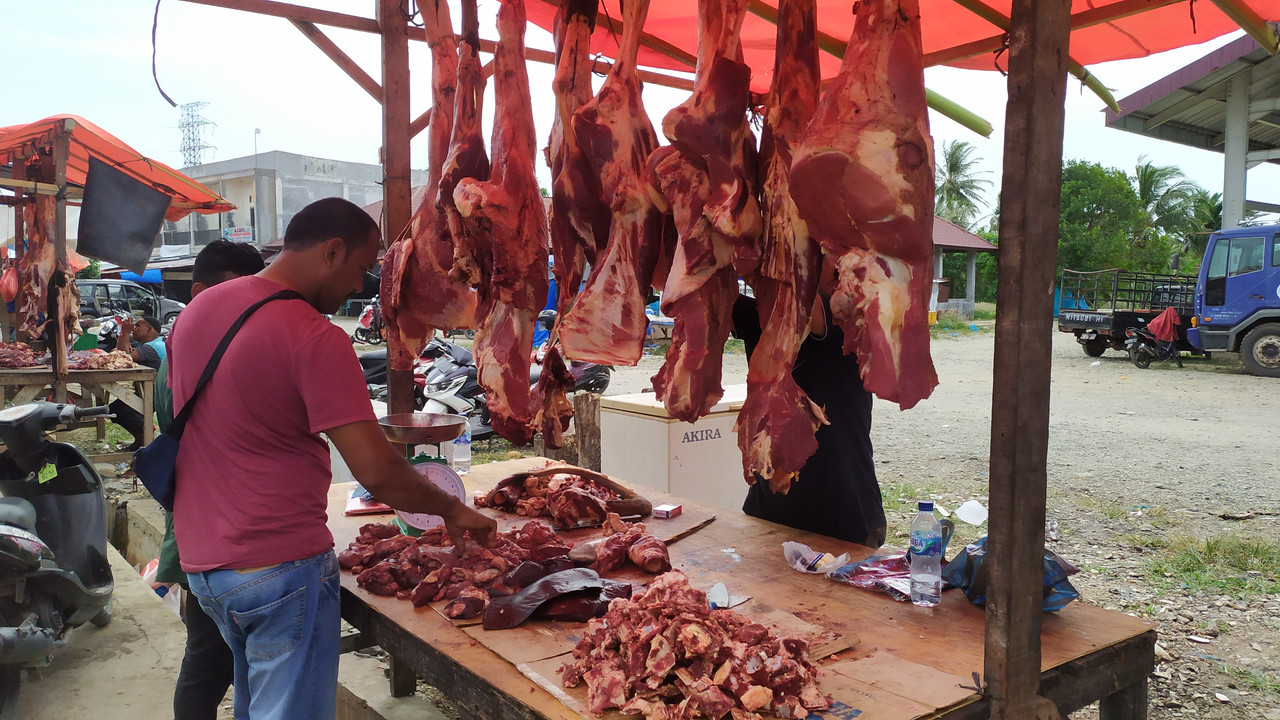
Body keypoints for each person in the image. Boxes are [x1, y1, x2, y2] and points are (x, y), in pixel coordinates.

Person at [169, 197, 496, 720]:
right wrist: (453, 509)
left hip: (205, 565)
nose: (358, 286)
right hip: (277, 567)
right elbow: (378, 471)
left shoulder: (199, 312)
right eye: (361, 268)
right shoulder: (314, 335)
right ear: (333, 251)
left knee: (257, 706)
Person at [153, 240, 266, 720]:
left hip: (209, 532)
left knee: (221, 661)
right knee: (208, 661)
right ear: (200, 293)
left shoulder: (193, 347)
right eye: (237, 294)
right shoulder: (191, 356)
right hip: (209, 538)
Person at [731, 260, 887, 548]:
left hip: (842, 517)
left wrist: (761, 252)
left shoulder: (842, 317)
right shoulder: (759, 313)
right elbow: (693, 285)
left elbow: (800, 297)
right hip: (769, 513)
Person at [110, 315, 166, 451]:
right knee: (115, 409)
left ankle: (146, 438)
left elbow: (122, 356)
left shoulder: (154, 347)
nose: (134, 328)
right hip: (146, 390)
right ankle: (141, 438)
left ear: (149, 329)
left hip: (157, 394)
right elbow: (121, 352)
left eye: (137, 326)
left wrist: (126, 331)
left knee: (125, 411)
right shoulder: (143, 345)